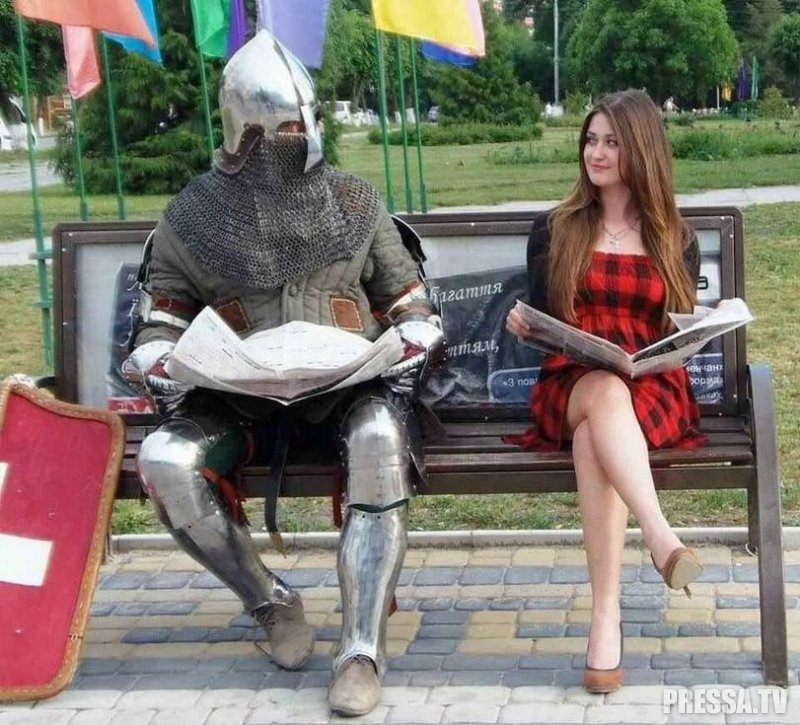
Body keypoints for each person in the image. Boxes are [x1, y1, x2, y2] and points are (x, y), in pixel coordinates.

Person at [121, 30, 444, 718]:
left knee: (379, 440)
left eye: (303, 123)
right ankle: (270, 603)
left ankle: (361, 650)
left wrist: (413, 336)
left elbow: (410, 300)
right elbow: (159, 322)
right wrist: (158, 360)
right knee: (164, 458)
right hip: (235, 399)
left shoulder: (353, 202)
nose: (297, 138)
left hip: (346, 387)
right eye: (283, 129)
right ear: (246, 133)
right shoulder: (193, 217)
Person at [505, 89, 704, 694]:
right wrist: (525, 325)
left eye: (612, 142)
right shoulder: (555, 229)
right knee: (601, 395)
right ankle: (660, 536)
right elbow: (546, 317)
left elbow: (676, 325)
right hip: (571, 380)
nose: (596, 152)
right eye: (590, 140)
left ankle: (604, 618)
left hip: (650, 384)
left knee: (599, 430)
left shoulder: (674, 236)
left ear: (641, 149)